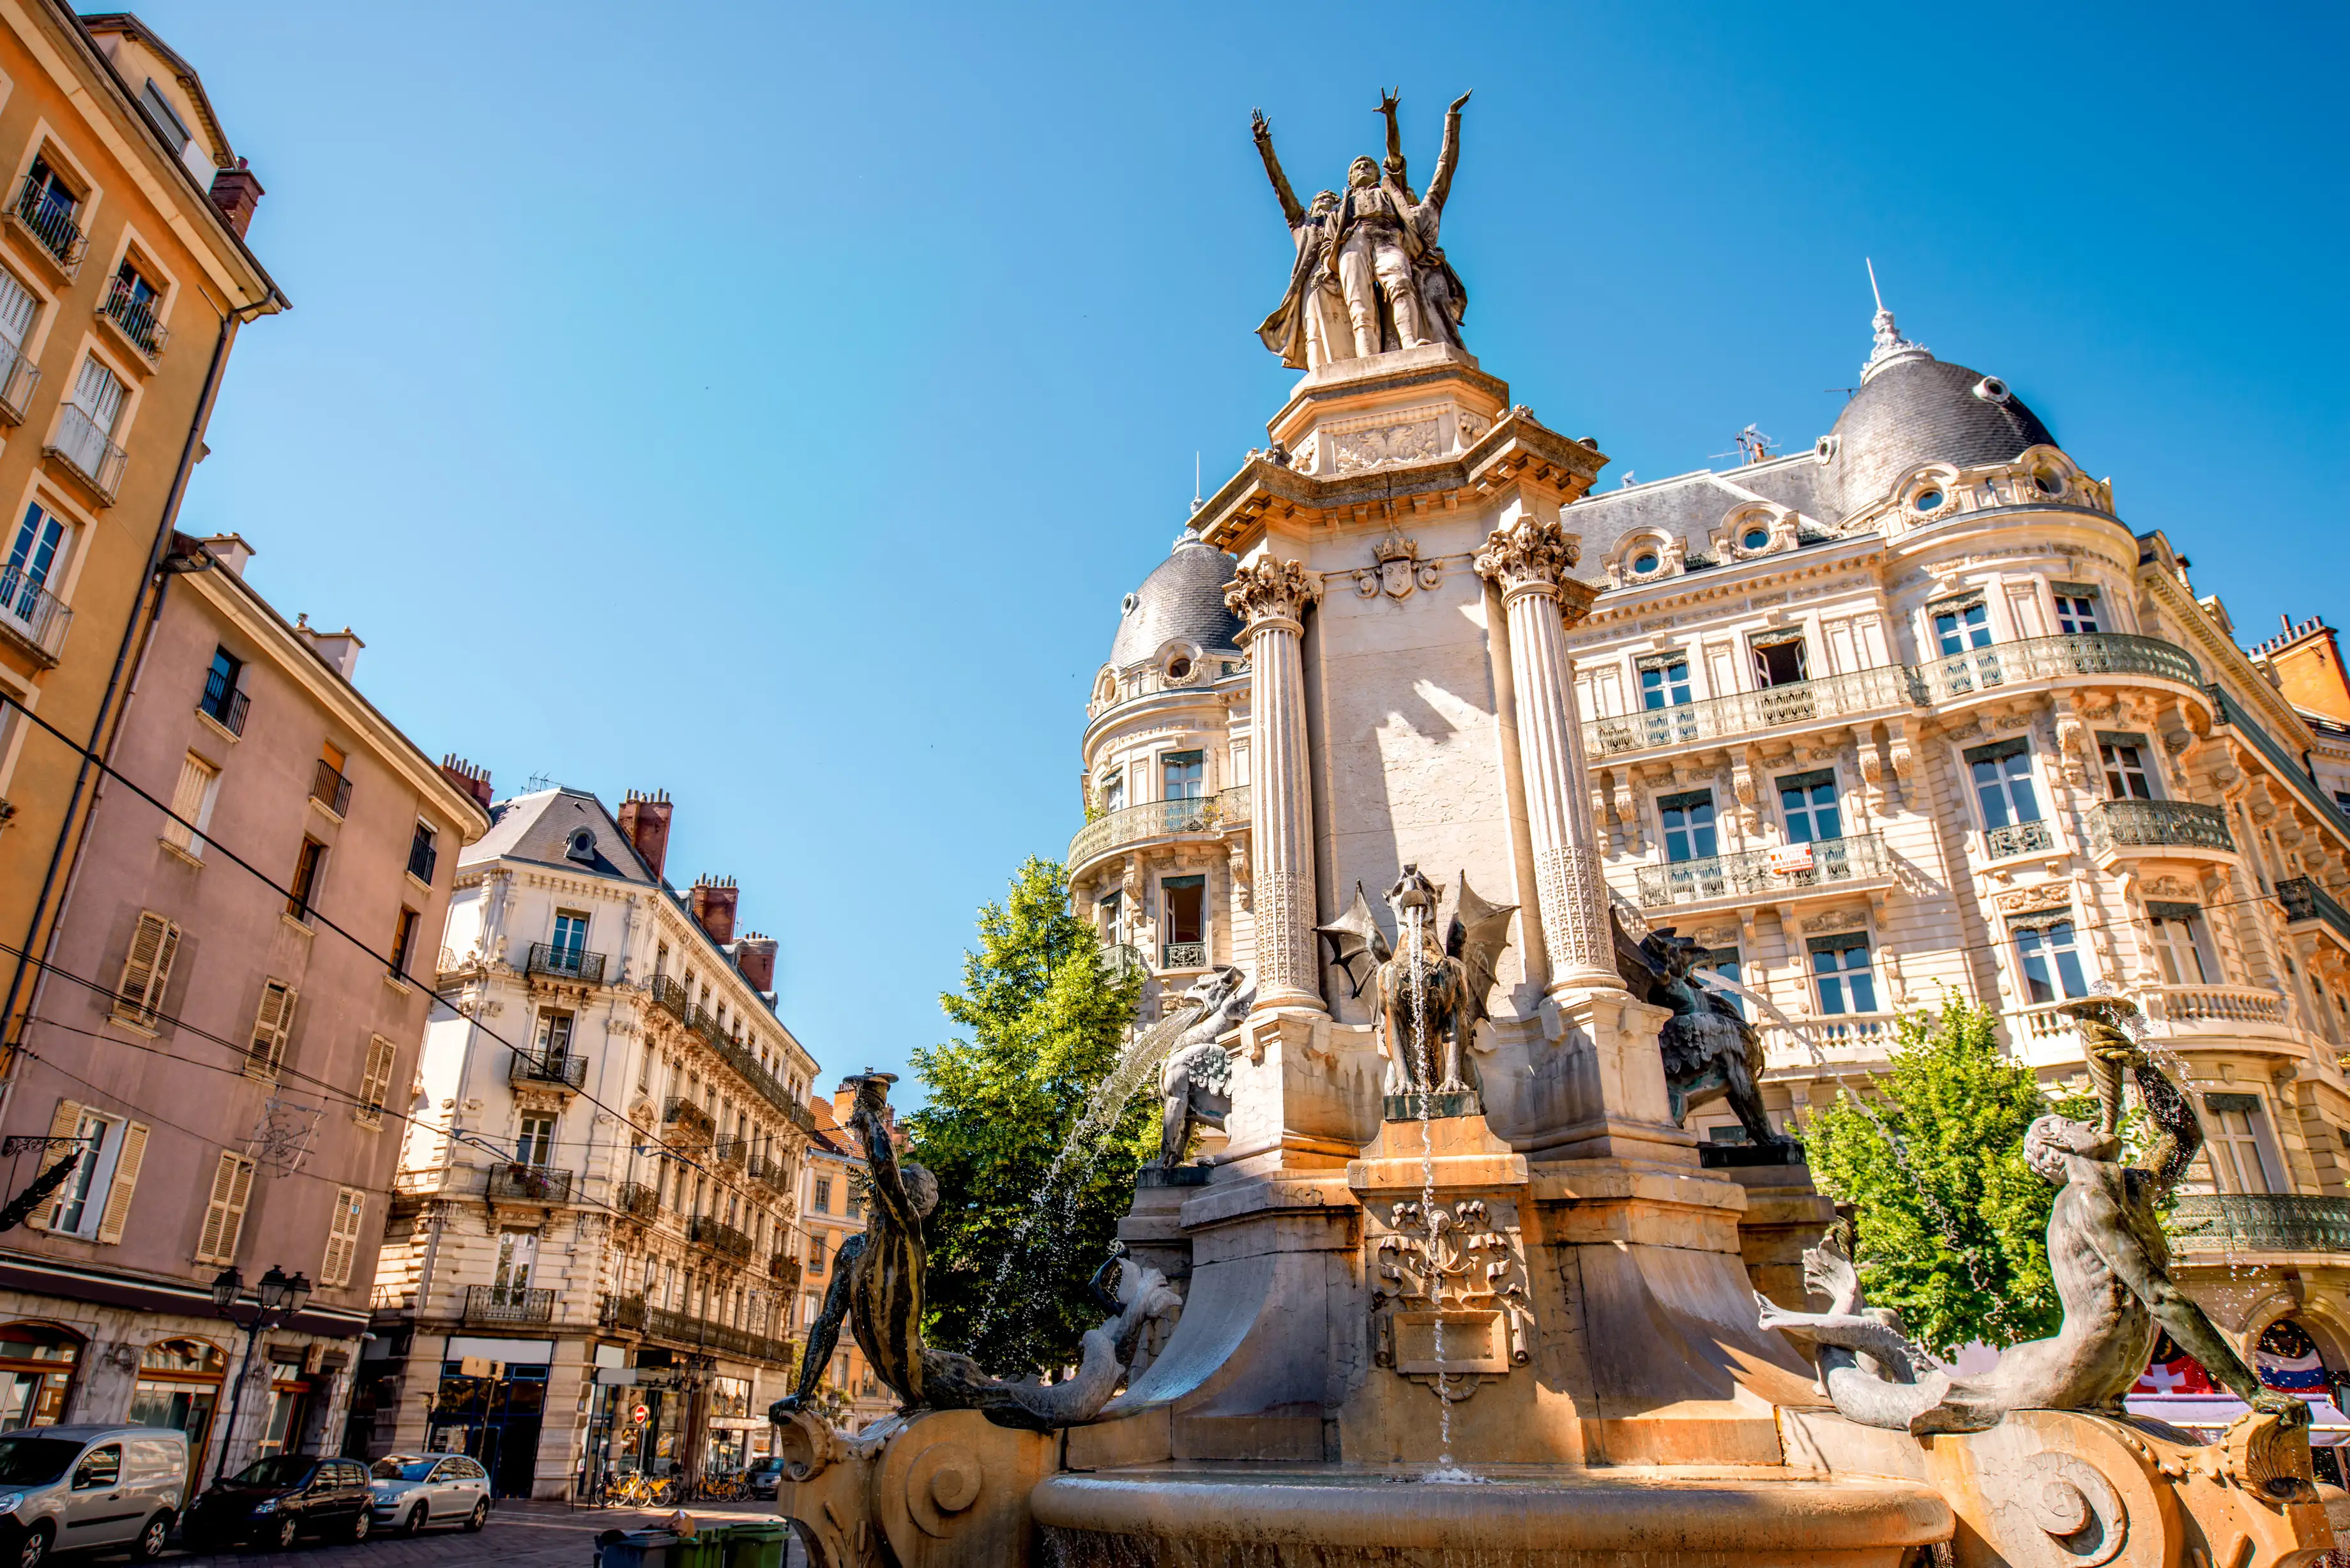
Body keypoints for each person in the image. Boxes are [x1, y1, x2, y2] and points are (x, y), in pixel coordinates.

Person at [1325, 89, 1471, 358]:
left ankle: (1410, 342)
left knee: (1401, 282)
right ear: (1349, 179)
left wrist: (1391, 118)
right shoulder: (1341, 208)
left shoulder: (1389, 191)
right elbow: (1327, 244)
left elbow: (1395, 156)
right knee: (1359, 303)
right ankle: (1366, 358)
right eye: (1358, 167)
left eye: (1369, 165)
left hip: (1388, 236)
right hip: (1352, 242)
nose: (1363, 168)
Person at [1250, 109, 1351, 370]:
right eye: (1320, 200)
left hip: (1344, 278)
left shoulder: (1346, 227)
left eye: (1330, 200)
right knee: (1315, 332)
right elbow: (1281, 187)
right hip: (1313, 283)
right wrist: (1265, 147)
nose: (1325, 203)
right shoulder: (1302, 224)